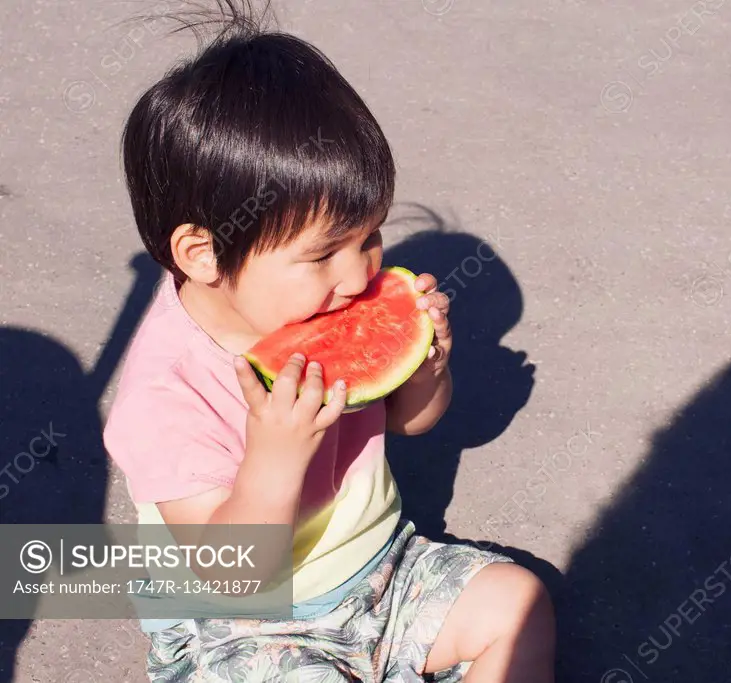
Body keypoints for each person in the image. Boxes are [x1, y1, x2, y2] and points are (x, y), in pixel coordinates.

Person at [101, 2, 556, 681]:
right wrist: (275, 456)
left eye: (369, 237)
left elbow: (412, 421)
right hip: (245, 624)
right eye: (323, 255)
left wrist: (427, 369)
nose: (358, 274)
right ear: (201, 253)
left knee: (521, 606)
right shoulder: (165, 391)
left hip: (384, 568)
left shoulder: (328, 304)